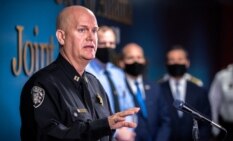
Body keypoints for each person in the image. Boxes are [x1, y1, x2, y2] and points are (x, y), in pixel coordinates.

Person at [19, 6, 139, 141]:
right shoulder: (43, 84)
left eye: (94, 31)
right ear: (61, 37)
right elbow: (47, 136)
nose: (91, 37)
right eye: (82, 30)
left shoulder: (95, 83)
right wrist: (103, 125)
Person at [86, 26, 136, 140]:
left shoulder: (118, 73)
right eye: (103, 43)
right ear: (95, 43)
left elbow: (128, 104)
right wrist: (117, 131)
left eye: (111, 43)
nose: (108, 47)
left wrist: (127, 128)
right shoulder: (87, 73)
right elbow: (93, 110)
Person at [119, 43, 171, 141]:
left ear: (144, 60)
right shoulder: (117, 88)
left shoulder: (155, 87)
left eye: (139, 57)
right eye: (130, 58)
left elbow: (165, 121)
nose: (136, 61)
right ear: (122, 62)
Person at [159, 46, 211, 141]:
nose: (176, 63)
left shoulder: (199, 90)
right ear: (166, 63)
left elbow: (206, 122)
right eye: (172, 60)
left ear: (187, 62)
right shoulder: (158, 89)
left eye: (180, 59)